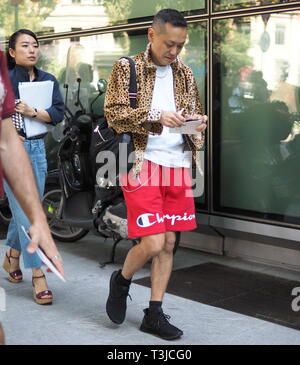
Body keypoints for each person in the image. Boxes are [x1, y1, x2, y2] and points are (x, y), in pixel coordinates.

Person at [104, 9, 207, 340]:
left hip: (178, 165)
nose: (173, 52)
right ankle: (122, 280)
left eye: (180, 45)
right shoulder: (127, 67)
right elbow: (114, 115)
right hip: (141, 162)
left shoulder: (186, 74)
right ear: (152, 35)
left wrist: (197, 123)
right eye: (168, 44)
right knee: (153, 240)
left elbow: (191, 117)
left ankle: (154, 313)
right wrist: (156, 115)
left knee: (169, 242)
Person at [0, 48, 64, 344]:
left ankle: (12, 256)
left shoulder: (45, 78)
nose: (32, 50)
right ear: (14, 51)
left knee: (28, 211)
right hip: (16, 150)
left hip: (33, 148)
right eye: (24, 45)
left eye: (34, 44)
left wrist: (32, 115)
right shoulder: (10, 75)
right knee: (26, 213)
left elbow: (57, 114)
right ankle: (38, 273)